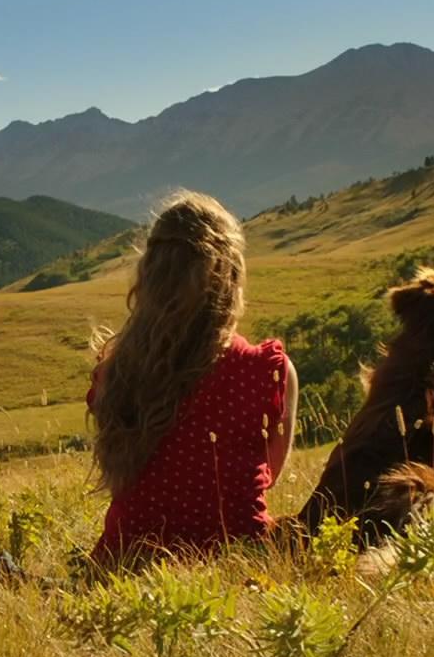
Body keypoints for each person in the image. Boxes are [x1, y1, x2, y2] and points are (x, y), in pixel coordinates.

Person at [86, 190, 299, 566]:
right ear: (229, 278)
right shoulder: (266, 370)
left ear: (148, 276)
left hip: (125, 563)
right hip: (237, 563)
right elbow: (270, 474)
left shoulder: (115, 371)